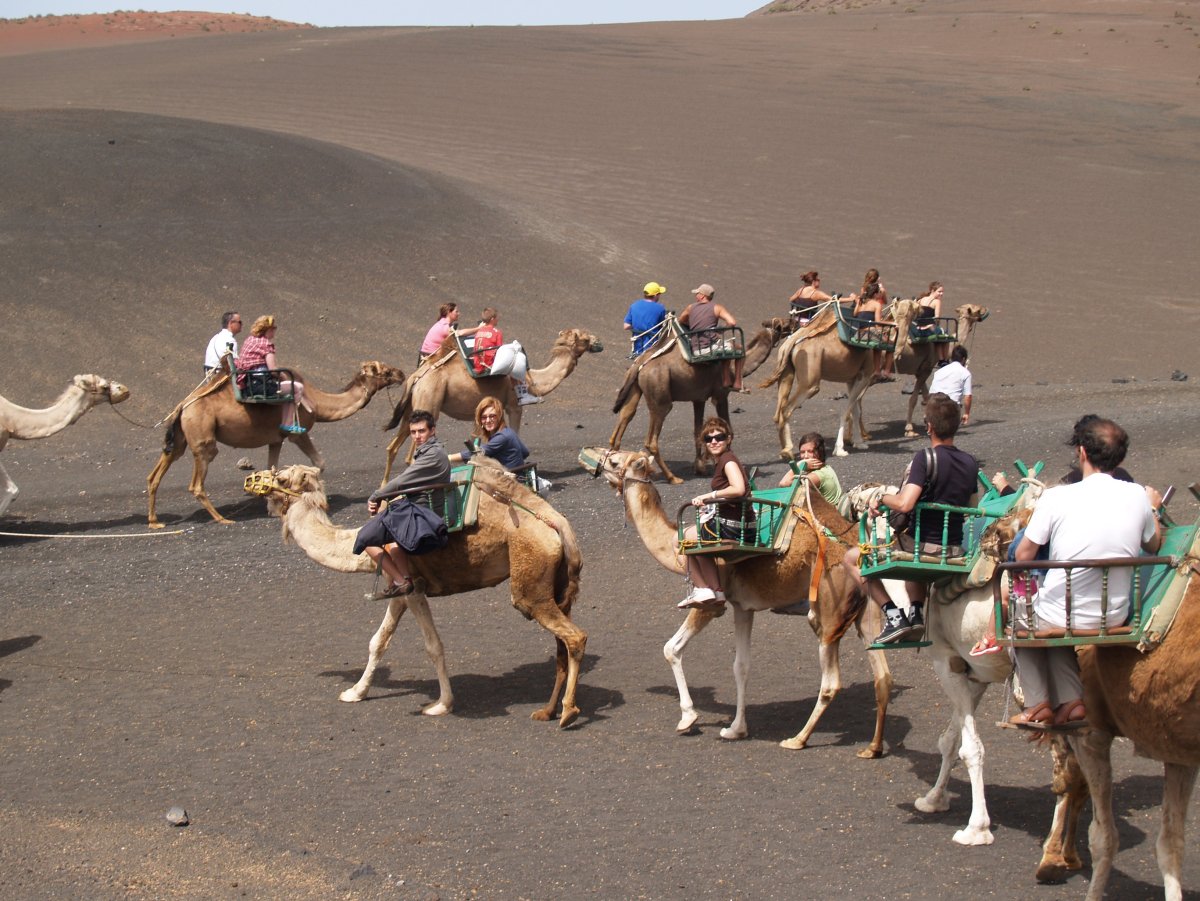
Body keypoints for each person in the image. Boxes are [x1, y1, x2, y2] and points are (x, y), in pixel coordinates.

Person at [1007, 418, 1162, 728]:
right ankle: (1072, 703)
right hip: (1113, 614)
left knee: (1020, 622)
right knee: (1057, 621)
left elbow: (1023, 555)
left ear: (1081, 452)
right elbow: (1154, 544)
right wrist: (1153, 508)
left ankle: (1038, 704)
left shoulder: (1057, 497)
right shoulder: (1136, 495)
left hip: (1062, 612)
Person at [843, 393, 979, 643]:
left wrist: (881, 497)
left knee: (852, 559)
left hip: (925, 548)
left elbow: (905, 503)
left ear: (929, 426)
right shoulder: (971, 463)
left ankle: (893, 616)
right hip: (956, 549)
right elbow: (972, 506)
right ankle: (915, 613)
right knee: (911, 547)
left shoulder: (925, 458)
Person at [358, 410, 453, 599]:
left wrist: (376, 496)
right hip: (416, 508)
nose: (417, 436)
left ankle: (401, 581)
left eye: (422, 431)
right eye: (413, 432)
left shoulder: (432, 455)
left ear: (432, 430)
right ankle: (403, 580)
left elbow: (402, 481)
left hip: (423, 515)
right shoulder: (428, 452)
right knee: (389, 536)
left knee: (366, 539)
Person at [678, 417, 756, 609]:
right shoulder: (723, 460)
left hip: (735, 529)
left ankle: (702, 587)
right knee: (700, 539)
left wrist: (708, 496)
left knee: (683, 538)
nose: (714, 441)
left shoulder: (728, 461)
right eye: (708, 438)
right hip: (737, 524)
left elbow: (737, 489)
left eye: (719, 437)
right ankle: (717, 591)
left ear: (728, 438)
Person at [236, 315, 311, 434]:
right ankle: (288, 424)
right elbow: (272, 369)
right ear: (268, 330)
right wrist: (284, 378)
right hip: (262, 385)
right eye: (273, 329)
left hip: (248, 382)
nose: (274, 331)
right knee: (297, 388)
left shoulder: (250, 340)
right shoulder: (266, 345)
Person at [678, 283, 745, 392]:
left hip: (696, 349)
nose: (696, 296)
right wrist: (720, 330)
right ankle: (737, 382)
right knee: (739, 348)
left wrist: (694, 326)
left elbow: (681, 320)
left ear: (703, 296)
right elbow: (732, 322)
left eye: (697, 294)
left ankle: (727, 380)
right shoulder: (717, 308)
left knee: (725, 346)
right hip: (710, 347)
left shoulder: (690, 308)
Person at [449, 397, 530, 471]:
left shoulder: (502, 437)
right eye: (484, 417)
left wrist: (449, 458)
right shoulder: (509, 431)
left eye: (492, 416)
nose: (488, 420)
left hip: (509, 481)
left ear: (500, 417)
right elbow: (525, 452)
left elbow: (476, 453)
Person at [778, 431, 842, 508]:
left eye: (810, 451)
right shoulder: (826, 468)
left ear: (820, 452)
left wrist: (799, 464)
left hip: (828, 517)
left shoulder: (818, 475)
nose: (805, 456)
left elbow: (783, 484)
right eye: (802, 452)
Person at [853, 282, 895, 382]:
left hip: (858, 334)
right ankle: (886, 372)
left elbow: (855, 314)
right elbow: (878, 322)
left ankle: (876, 370)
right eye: (879, 293)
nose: (880, 294)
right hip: (869, 334)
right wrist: (893, 323)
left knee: (879, 344)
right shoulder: (877, 304)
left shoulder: (861, 302)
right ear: (875, 294)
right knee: (891, 345)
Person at [928, 345, 972, 425]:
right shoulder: (965, 373)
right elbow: (968, 396)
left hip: (933, 406)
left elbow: (931, 393)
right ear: (963, 359)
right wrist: (966, 413)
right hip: (950, 408)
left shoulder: (939, 372)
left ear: (951, 358)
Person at [623, 281, 669, 356]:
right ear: (655, 295)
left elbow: (626, 326)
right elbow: (662, 327)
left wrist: (638, 326)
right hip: (651, 345)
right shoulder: (660, 308)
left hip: (636, 344)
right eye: (659, 294)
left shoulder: (634, 305)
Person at [914, 281, 950, 363]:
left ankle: (941, 359)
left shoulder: (920, 300)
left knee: (938, 335)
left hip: (918, 329)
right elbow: (937, 318)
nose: (941, 294)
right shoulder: (937, 302)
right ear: (933, 291)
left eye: (942, 292)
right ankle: (944, 359)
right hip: (928, 329)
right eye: (939, 292)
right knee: (946, 336)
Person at [203, 311, 242, 376]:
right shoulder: (230, 340)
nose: (241, 325)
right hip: (220, 376)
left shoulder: (216, 337)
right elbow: (233, 364)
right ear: (231, 323)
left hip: (210, 374)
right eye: (239, 322)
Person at [472, 307, 503, 374]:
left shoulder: (478, 331)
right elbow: (500, 352)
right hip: (488, 366)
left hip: (477, 365)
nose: (498, 319)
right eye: (496, 318)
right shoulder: (497, 332)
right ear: (492, 319)